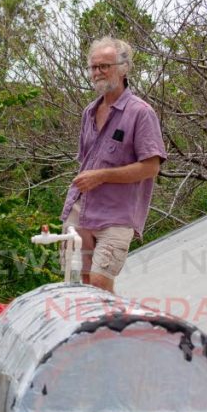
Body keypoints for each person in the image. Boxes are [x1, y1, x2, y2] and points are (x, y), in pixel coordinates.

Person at [47, 37, 167, 293]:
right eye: (94, 67)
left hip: (117, 216)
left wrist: (102, 176)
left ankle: (113, 331)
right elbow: (86, 162)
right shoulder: (89, 112)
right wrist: (91, 179)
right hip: (82, 210)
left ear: (124, 68)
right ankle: (88, 332)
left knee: (100, 284)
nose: (98, 72)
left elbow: (151, 167)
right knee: (79, 285)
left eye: (105, 66)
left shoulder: (141, 112)